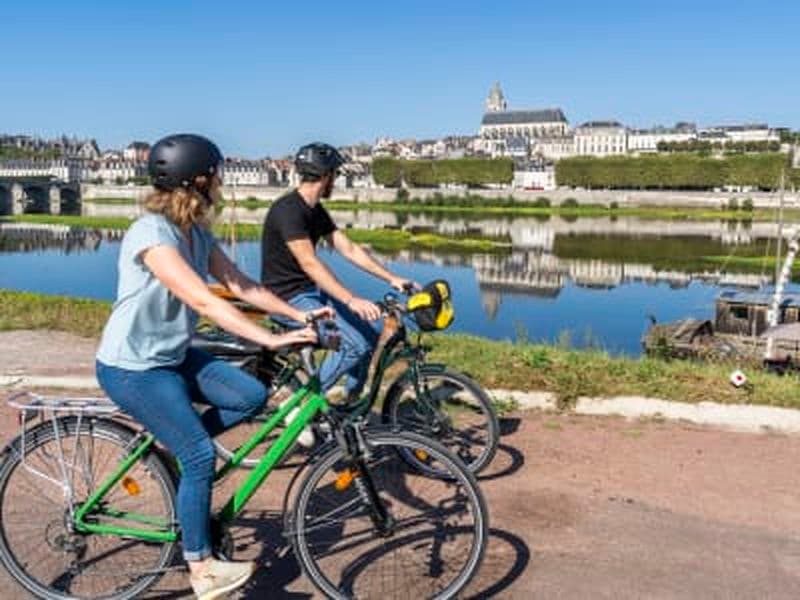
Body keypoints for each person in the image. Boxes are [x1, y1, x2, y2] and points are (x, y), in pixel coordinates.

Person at [95, 134, 329, 600]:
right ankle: (202, 568)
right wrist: (270, 338)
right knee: (200, 455)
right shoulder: (151, 233)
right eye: (216, 173)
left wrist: (296, 315)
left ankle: (179, 448)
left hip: (174, 357)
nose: (222, 182)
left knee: (251, 396)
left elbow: (239, 284)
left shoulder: (197, 233)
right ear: (196, 180)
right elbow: (201, 298)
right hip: (133, 368)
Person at [261, 142, 416, 400]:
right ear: (325, 176)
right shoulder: (288, 210)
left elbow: (349, 249)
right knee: (353, 346)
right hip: (286, 298)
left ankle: (351, 404)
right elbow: (310, 263)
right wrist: (351, 299)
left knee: (374, 329)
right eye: (336, 174)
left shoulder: (314, 210)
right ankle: (303, 407)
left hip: (309, 293)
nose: (337, 180)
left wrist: (392, 278)